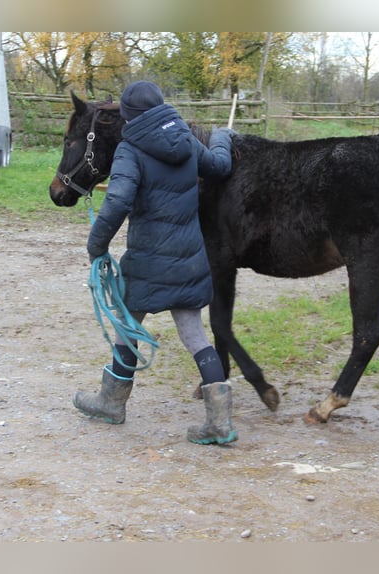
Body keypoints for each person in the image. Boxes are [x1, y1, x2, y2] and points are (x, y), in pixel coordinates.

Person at [73, 80, 237, 445]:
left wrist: (96, 246)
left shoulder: (130, 150)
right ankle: (219, 420)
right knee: (194, 334)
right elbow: (220, 165)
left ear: (129, 115)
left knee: (126, 327)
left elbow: (116, 203)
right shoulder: (186, 140)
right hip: (189, 260)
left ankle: (111, 402)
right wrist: (222, 135)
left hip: (147, 262)